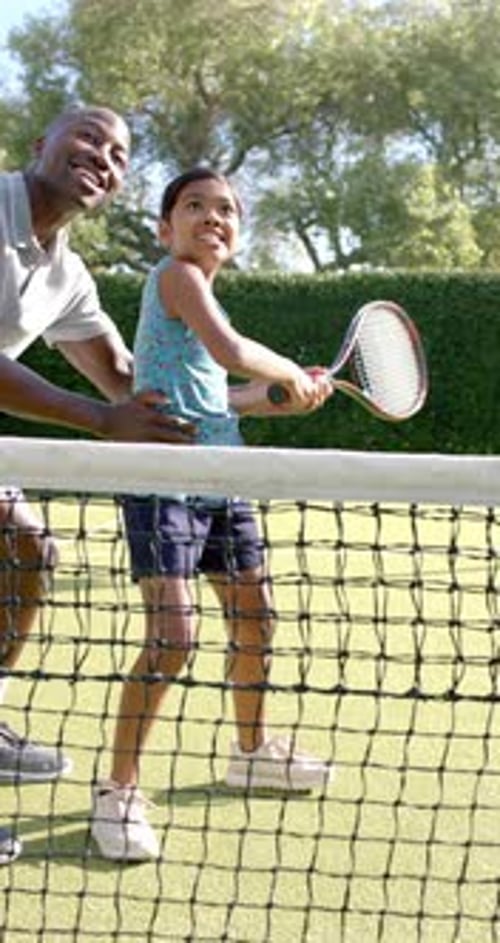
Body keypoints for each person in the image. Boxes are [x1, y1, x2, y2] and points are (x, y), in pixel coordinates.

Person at [91, 167, 334, 860]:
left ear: (238, 233)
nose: (212, 216)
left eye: (226, 208)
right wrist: (287, 371)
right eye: (194, 205)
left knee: (256, 616)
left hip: (222, 480)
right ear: (165, 229)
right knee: (173, 637)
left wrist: (280, 395)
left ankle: (252, 753)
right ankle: (118, 790)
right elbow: (232, 351)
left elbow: (219, 395)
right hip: (163, 481)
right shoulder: (177, 278)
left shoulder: (200, 305)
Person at [0, 105, 196, 785]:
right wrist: (100, 419)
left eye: (118, 156)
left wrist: (247, 394)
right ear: (41, 144)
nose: (101, 157)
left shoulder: (68, 276)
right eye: (88, 136)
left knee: (25, 549)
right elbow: (108, 409)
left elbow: (125, 379)